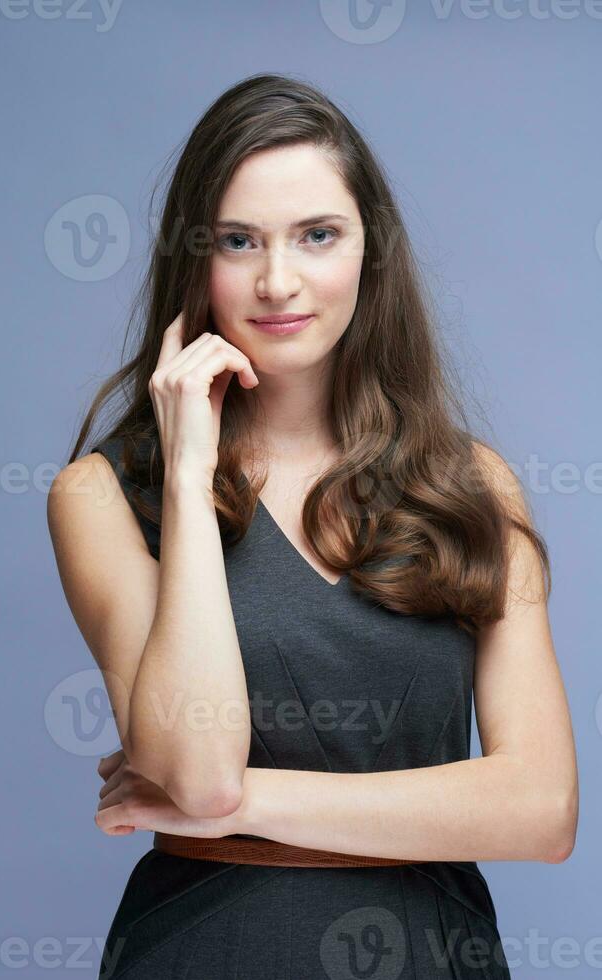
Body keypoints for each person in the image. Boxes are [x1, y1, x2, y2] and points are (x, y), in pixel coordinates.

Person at [47, 73, 578, 980]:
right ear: (194, 259)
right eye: (238, 241)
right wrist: (184, 473)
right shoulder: (103, 496)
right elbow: (198, 768)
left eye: (318, 236)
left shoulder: (472, 484)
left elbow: (540, 809)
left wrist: (237, 803)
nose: (277, 281)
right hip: (207, 951)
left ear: (371, 252)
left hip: (432, 952)